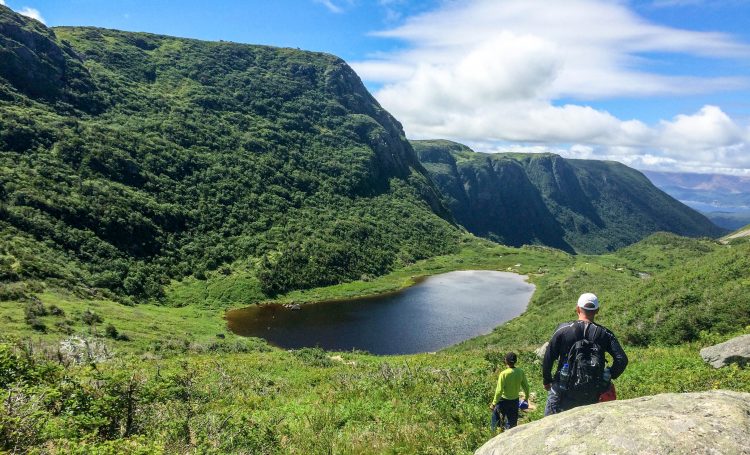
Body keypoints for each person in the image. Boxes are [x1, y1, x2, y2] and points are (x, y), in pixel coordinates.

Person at [542, 292, 628, 416]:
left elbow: (548, 357)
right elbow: (621, 359)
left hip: (563, 389)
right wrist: (609, 375)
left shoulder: (563, 329)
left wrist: (547, 380)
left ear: (577, 309)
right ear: (597, 310)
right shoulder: (605, 334)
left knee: (549, 426)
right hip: (592, 392)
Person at [489, 352, 530, 432]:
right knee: (512, 423)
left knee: (496, 419)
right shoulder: (520, 372)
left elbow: (499, 391)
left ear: (506, 361)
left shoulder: (503, 374)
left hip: (503, 401)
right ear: (515, 361)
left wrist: (493, 403)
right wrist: (526, 397)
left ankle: (494, 434)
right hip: (514, 400)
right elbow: (526, 387)